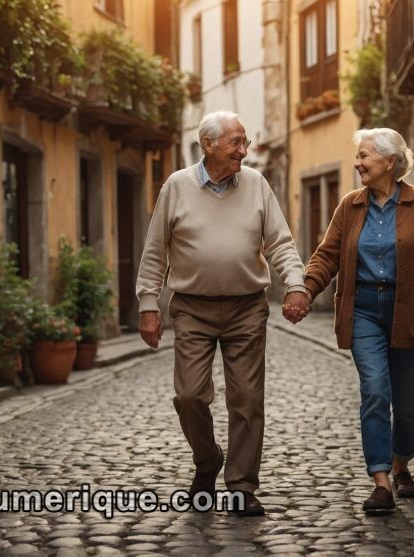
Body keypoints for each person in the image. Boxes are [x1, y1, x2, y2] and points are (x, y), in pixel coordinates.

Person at [136, 110, 311, 516]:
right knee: (190, 396)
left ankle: (242, 486)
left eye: (245, 142)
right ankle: (207, 458)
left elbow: (280, 242)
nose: (244, 151)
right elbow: (154, 250)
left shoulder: (256, 184)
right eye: (236, 142)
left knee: (247, 399)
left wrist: (296, 283)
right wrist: (149, 305)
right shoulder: (177, 186)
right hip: (192, 309)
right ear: (209, 144)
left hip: (247, 306)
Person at [301, 128, 414, 514]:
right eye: (358, 156)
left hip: (411, 313)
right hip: (364, 309)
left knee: (406, 403)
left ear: (389, 161)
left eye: (365, 156)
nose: (358, 163)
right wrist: (303, 290)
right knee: (375, 389)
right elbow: (326, 256)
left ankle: (402, 464)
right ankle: (381, 480)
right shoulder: (350, 206)